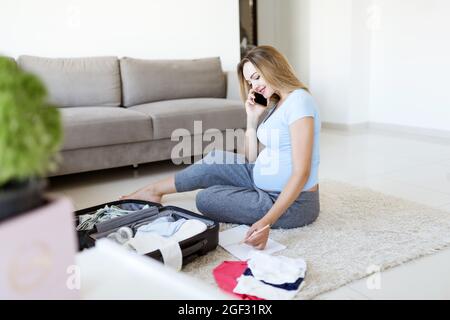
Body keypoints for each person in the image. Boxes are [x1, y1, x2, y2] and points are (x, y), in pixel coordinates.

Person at [121, 45, 321, 250]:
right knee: (215, 158)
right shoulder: (277, 104)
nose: (254, 85)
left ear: (273, 67)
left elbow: (301, 172)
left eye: (257, 77)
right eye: (250, 81)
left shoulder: (299, 102)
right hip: (260, 179)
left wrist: (265, 221)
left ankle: (248, 199)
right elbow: (251, 158)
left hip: (295, 204)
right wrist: (252, 119)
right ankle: (153, 191)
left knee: (207, 198)